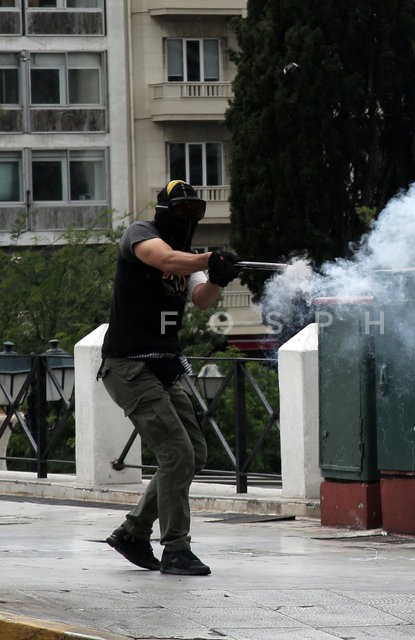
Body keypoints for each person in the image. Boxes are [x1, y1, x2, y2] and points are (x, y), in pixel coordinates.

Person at [100, 180, 241, 576]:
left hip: (165, 365)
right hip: (129, 365)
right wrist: (211, 258)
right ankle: (176, 548)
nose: (189, 218)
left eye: (195, 211)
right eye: (181, 210)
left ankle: (134, 531)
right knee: (175, 453)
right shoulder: (142, 234)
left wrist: (218, 276)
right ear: (165, 211)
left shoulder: (188, 257)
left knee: (193, 454)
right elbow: (164, 261)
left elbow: (200, 299)